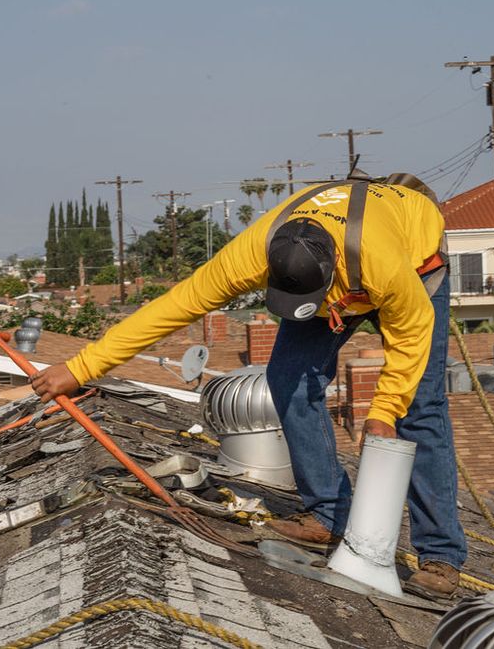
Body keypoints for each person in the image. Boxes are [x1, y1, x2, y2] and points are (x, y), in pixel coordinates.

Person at [30, 173, 467, 596]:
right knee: (288, 379)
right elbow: (173, 308)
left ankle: (441, 556)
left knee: (419, 406)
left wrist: (384, 411)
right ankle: (330, 516)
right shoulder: (253, 252)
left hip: (414, 264)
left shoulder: (386, 267)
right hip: (338, 277)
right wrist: (81, 367)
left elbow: (412, 338)